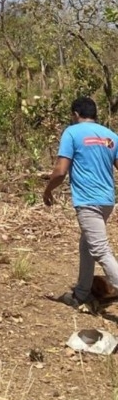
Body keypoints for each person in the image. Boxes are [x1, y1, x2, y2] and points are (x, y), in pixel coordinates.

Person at [42, 96, 118, 310]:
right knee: (87, 245)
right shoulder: (111, 136)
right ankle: (81, 293)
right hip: (106, 201)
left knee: (100, 249)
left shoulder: (72, 132)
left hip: (88, 201)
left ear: (75, 114)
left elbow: (60, 171)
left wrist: (48, 190)